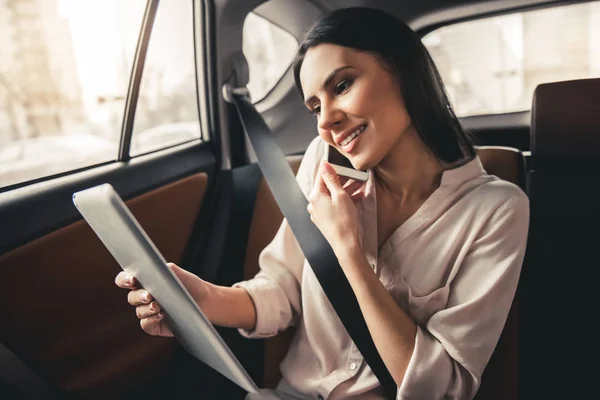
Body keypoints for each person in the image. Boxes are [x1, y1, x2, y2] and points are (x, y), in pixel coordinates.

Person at [115, 7, 529, 400]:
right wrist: (202, 299)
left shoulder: (495, 209)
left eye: (342, 85)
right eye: (315, 106)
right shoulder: (324, 163)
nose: (326, 120)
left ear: (404, 71)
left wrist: (348, 251)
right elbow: (283, 290)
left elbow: (444, 388)